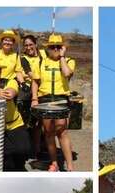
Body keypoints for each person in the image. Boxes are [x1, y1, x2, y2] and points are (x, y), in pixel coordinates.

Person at [30, 34, 76, 172]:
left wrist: (62, 57)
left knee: (62, 131)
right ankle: (54, 162)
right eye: (52, 47)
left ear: (62, 48)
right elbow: (35, 81)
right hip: (45, 99)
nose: (55, 49)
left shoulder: (69, 60)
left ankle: (70, 166)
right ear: (48, 48)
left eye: (58, 46)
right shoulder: (40, 62)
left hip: (61, 99)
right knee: (48, 133)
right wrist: (34, 98)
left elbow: (67, 74)